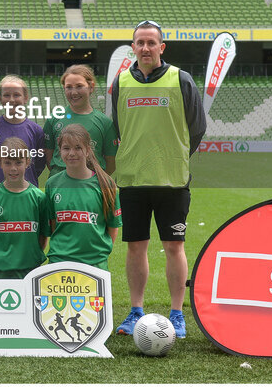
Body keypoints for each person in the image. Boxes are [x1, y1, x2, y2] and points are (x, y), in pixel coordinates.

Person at [112, 21, 206, 339]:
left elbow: (197, 128)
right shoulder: (121, 82)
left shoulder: (180, 79)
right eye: (140, 43)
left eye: (152, 42)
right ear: (133, 47)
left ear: (161, 47)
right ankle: (135, 310)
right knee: (135, 247)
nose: (146, 48)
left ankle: (177, 313)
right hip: (133, 179)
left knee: (174, 245)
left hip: (172, 180)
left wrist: (175, 155)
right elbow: (118, 128)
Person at [43, 124, 121, 271]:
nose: (72, 153)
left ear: (87, 150)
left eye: (78, 148)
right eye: (66, 148)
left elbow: (112, 226)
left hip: (94, 264)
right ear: (59, 151)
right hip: (59, 262)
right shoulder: (52, 184)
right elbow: (53, 225)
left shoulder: (105, 183)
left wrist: (99, 254)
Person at [0, 137, 48, 279]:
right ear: (0, 163)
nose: (13, 168)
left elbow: (43, 237)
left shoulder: (39, 198)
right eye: (8, 163)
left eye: (18, 162)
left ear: (28, 162)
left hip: (30, 270)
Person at [43, 65, 117, 177]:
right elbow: (49, 157)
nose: (74, 92)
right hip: (59, 185)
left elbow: (111, 162)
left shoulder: (105, 123)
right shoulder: (54, 119)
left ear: (91, 87)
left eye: (79, 86)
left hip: (92, 185)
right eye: (69, 87)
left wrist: (94, 180)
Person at [0, 75, 45, 188]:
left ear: (25, 97)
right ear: (0, 97)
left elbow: (39, 165)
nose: (11, 100)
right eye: (6, 95)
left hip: (26, 194)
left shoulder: (36, 130)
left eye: (16, 95)